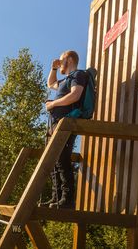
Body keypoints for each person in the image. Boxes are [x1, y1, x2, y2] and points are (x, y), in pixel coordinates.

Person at [40, 50, 87, 209]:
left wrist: (53, 104)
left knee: (62, 160)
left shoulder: (78, 75)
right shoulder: (66, 80)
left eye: (61, 60)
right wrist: (53, 69)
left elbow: (75, 96)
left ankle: (67, 200)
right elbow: (50, 83)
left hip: (66, 125)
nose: (59, 63)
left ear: (70, 59)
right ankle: (56, 197)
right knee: (54, 161)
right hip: (56, 125)